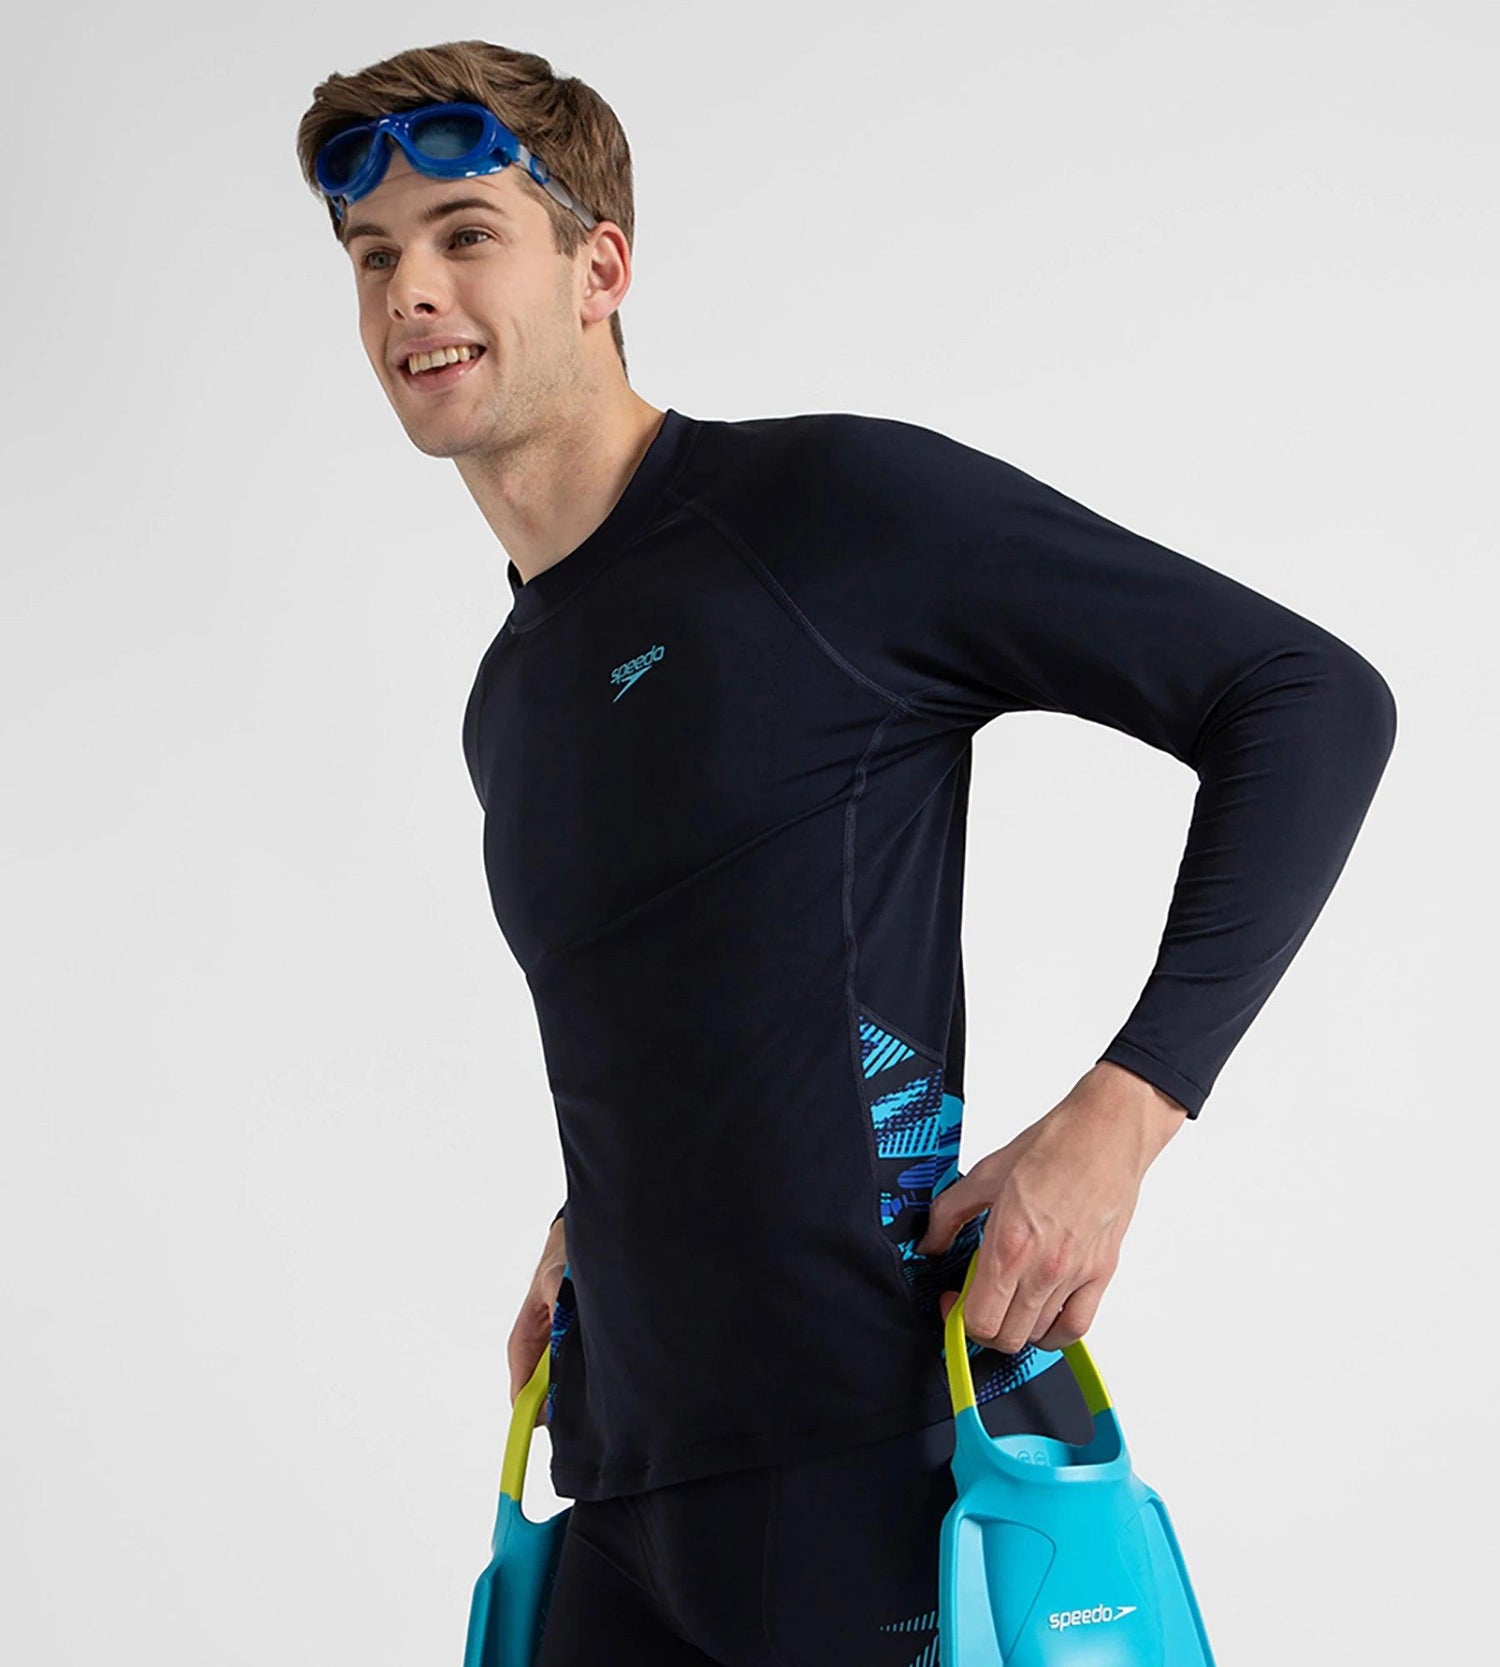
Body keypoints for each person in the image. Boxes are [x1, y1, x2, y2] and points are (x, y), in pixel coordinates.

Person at [296, 40, 1398, 1667]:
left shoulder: (825, 512)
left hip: (872, 1460)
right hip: (624, 1485)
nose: (412, 292)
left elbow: (1307, 700)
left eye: (466, 234)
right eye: (374, 255)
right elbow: (708, 987)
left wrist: (1125, 1114)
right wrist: (603, 1215)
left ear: (600, 269)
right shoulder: (510, 692)